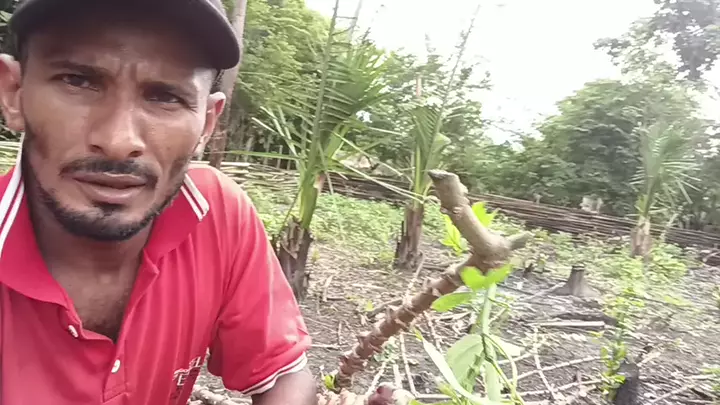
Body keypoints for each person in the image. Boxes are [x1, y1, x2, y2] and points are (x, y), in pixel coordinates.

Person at [0, 0, 315, 404]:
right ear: (14, 93)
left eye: (165, 96)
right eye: (78, 81)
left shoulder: (215, 214)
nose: (118, 141)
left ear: (206, 124)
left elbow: (283, 377)